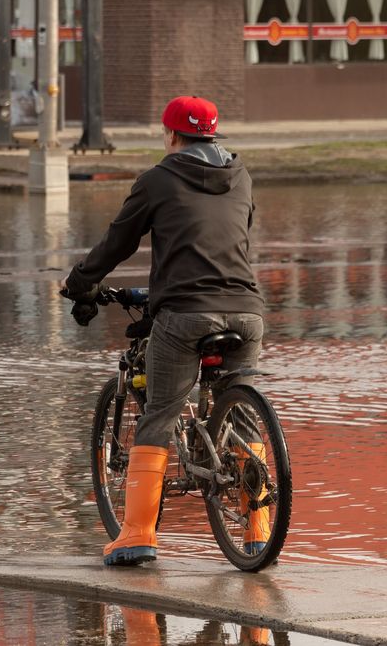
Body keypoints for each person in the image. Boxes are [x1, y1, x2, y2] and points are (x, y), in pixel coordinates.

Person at [60, 95, 265, 567]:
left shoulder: (157, 180)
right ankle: (257, 532)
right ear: (213, 135)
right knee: (244, 417)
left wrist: (80, 283)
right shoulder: (242, 176)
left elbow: (118, 242)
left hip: (187, 313)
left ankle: (136, 535)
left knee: (159, 414)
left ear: (171, 135)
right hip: (247, 311)